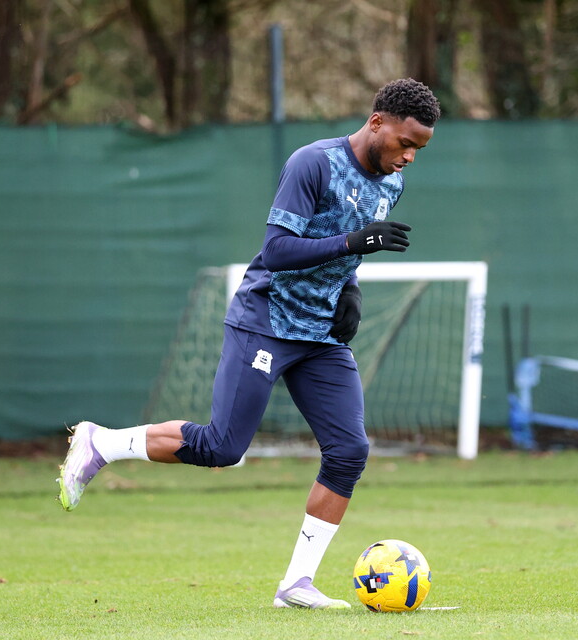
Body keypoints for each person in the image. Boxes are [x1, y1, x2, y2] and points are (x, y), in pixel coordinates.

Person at [57, 78, 441, 609]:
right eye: (405, 142)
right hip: (265, 320)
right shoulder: (313, 163)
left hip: (320, 335)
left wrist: (349, 286)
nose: (409, 157)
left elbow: (345, 247)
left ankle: (296, 586)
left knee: (350, 451)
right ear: (377, 122)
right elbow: (278, 250)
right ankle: (100, 443)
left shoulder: (390, 183)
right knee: (223, 448)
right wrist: (356, 243)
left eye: (418, 149)